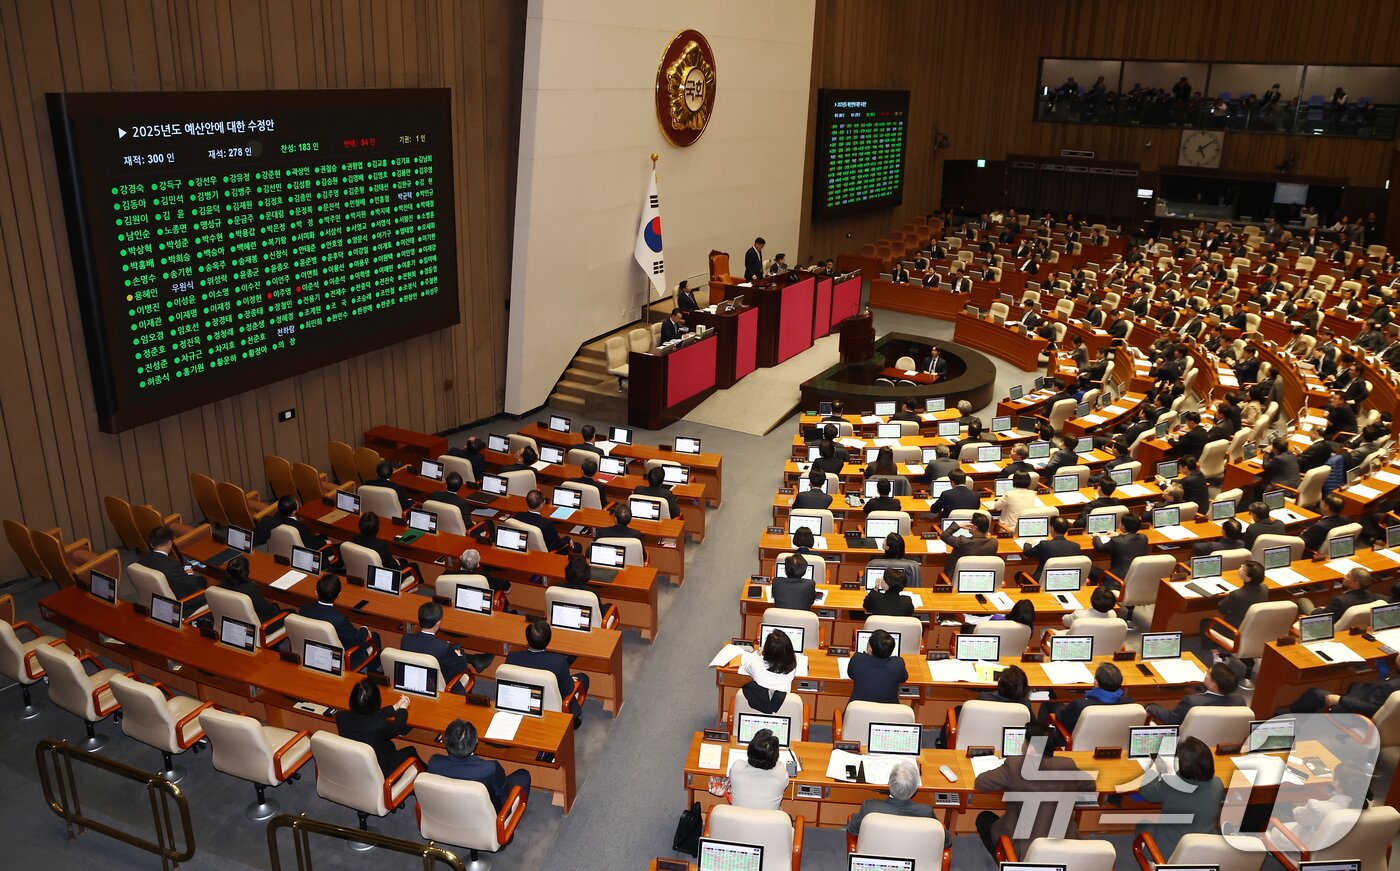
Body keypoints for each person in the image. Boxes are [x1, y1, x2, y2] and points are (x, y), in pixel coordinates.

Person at [973, 721, 1090, 857]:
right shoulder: (1067, 764)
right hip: (1066, 847)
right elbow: (1090, 784)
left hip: (1026, 851)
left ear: (1032, 747)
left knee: (984, 819)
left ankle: (1008, 863)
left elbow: (981, 783)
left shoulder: (1016, 765)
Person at [1131, 736, 1225, 859]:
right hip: (1206, 849)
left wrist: (1154, 766)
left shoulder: (1172, 784)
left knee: (1142, 824)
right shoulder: (1218, 784)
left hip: (1170, 853)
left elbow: (1145, 792)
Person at [427, 719, 531, 811]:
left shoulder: (434, 763)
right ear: (476, 741)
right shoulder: (490, 768)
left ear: (445, 741)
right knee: (523, 775)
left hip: (449, 811)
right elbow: (504, 791)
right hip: (488, 814)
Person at [505, 618, 589, 724]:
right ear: (549, 640)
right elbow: (568, 690)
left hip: (520, 702)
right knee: (583, 678)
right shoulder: (559, 661)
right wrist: (573, 680)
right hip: (551, 707)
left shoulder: (512, 657)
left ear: (527, 639)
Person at [336, 677, 421, 775]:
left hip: (355, 765)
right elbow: (397, 728)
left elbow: (367, 716)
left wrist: (394, 707)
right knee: (411, 751)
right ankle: (427, 774)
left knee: (389, 745)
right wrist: (403, 709)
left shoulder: (341, 717)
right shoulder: (379, 726)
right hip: (380, 770)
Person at [299, 574, 381, 671]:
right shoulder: (340, 620)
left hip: (311, 653)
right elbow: (357, 639)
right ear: (338, 594)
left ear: (316, 592)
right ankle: (372, 672)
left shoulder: (303, 610)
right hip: (338, 659)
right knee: (374, 637)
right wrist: (364, 629)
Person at [401, 600, 493, 681]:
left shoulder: (406, 639)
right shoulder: (443, 647)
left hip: (411, 678)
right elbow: (462, 667)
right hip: (435, 682)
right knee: (455, 656)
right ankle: (474, 659)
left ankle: (474, 659)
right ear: (438, 622)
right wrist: (455, 650)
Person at [846, 760, 932, 836]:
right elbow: (943, 838)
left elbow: (852, 830)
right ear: (915, 788)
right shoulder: (926, 812)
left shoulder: (869, 808)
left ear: (889, 784)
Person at [1145, 662, 1244, 725]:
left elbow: (1170, 719)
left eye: (1208, 673)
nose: (1205, 674)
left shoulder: (1192, 702)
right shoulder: (1240, 701)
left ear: (1214, 685)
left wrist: (1151, 706)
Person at [1053, 661, 1131, 736]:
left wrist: (1054, 705)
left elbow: (1061, 717)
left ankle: (1044, 741)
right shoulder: (1129, 703)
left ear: (1096, 682)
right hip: (1114, 742)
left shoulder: (1081, 705)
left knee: (1050, 704)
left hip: (1073, 742)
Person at [137, 525, 207, 609]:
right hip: (179, 601)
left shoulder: (142, 560)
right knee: (204, 585)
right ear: (170, 542)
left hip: (156, 598)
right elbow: (192, 584)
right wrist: (191, 575)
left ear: (151, 544)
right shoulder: (171, 565)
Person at [727, 728, 789, 810]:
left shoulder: (736, 768)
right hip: (770, 822)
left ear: (749, 751)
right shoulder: (781, 773)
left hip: (738, 821)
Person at [737, 628, 797, 713]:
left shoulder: (757, 666)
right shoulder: (793, 666)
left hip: (756, 712)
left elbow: (747, 664)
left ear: (767, 652)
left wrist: (759, 652)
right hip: (782, 710)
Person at [847, 628, 908, 703]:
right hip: (888, 714)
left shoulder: (857, 659)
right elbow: (903, 678)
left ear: (870, 648)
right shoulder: (898, 664)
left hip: (856, 713)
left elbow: (851, 674)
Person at [217, 555, 281, 623]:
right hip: (262, 624)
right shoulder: (251, 589)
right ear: (245, 571)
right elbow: (268, 610)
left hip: (235, 618)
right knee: (290, 612)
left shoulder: (222, 585)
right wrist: (275, 608)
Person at [252, 495, 328, 549]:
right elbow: (311, 545)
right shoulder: (298, 527)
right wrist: (326, 542)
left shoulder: (273, 519)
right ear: (294, 512)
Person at [1092, 512, 1147, 581]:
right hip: (1137, 578)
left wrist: (1096, 537)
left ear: (1123, 526)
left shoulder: (1116, 541)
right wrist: (1120, 535)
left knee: (1090, 569)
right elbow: (1129, 539)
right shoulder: (1143, 538)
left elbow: (1100, 548)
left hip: (1117, 579)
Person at [1310, 568, 1378, 620]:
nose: (1344, 577)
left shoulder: (1340, 601)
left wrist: (1320, 609)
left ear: (1356, 583)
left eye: (1348, 576)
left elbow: (1323, 616)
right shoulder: (1370, 596)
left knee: (1303, 601)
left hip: (1329, 624)